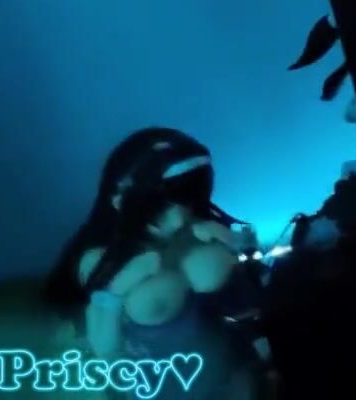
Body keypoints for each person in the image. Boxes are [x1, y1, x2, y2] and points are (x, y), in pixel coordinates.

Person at [43, 128, 263, 398]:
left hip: (235, 380)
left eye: (185, 200)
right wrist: (119, 288)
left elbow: (253, 302)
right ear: (119, 197)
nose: (179, 219)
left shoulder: (202, 232)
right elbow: (104, 350)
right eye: (161, 206)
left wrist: (237, 248)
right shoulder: (103, 261)